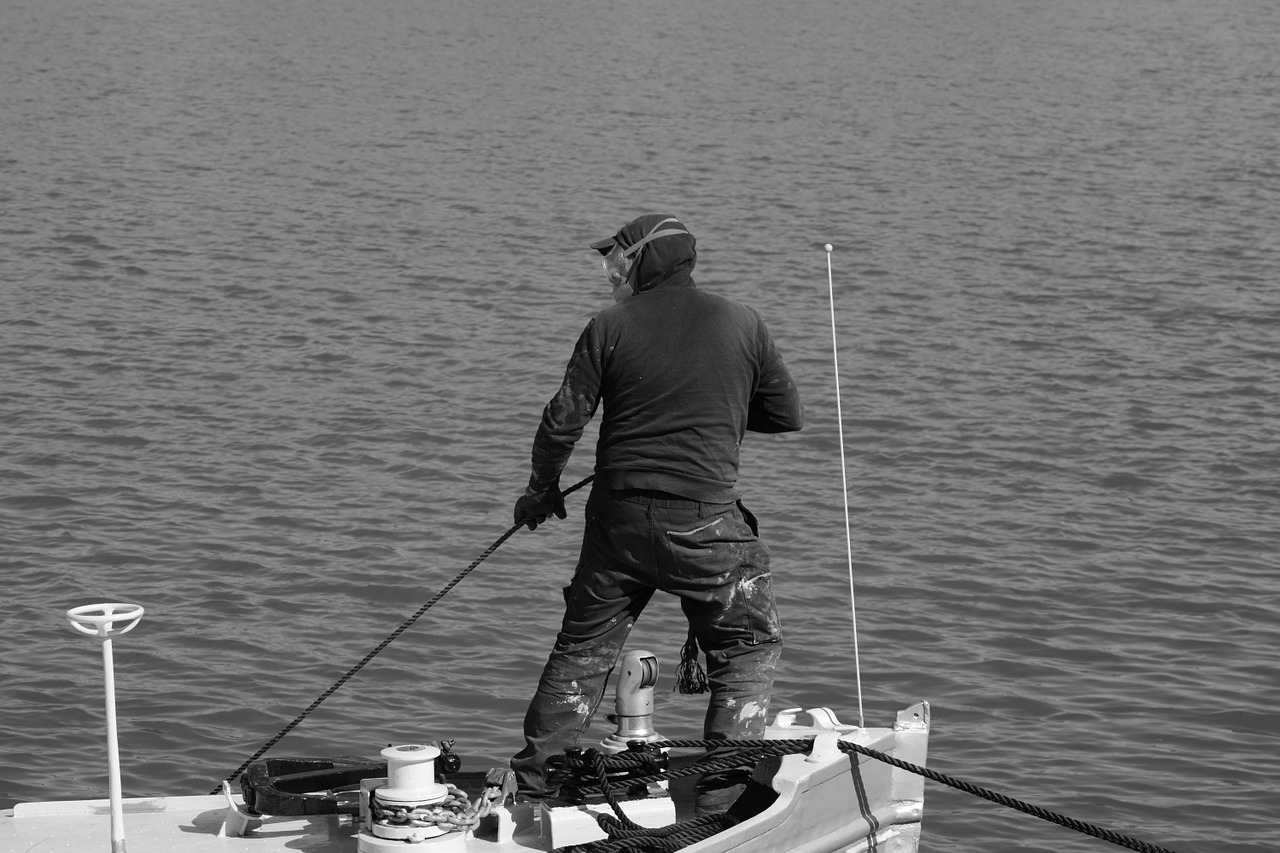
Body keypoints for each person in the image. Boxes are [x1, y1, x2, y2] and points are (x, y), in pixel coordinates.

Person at [510, 213, 804, 815]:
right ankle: (721, 798)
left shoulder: (608, 326)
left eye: (614, 257)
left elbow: (561, 421)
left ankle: (534, 787)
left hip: (615, 522)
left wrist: (541, 491)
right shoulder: (743, 323)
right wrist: (715, 403)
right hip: (705, 527)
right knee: (746, 644)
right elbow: (786, 415)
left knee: (583, 650)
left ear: (643, 260)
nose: (608, 269)